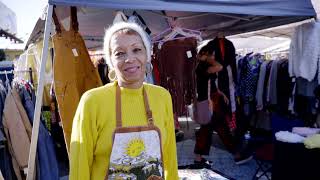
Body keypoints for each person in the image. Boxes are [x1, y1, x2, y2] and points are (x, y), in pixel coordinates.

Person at [69, 22, 178, 179]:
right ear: (111, 61)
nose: (130, 59)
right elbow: (80, 164)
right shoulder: (92, 101)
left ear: (147, 55)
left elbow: (169, 155)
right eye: (120, 53)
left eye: (137, 50)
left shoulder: (162, 96)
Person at [193, 42, 252, 168]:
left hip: (211, 101)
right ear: (205, 54)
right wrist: (208, 58)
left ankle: (199, 158)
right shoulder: (203, 66)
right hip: (209, 103)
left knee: (208, 130)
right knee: (221, 128)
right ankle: (236, 155)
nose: (214, 58)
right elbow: (219, 67)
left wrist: (220, 93)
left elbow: (210, 83)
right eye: (212, 55)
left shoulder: (204, 66)